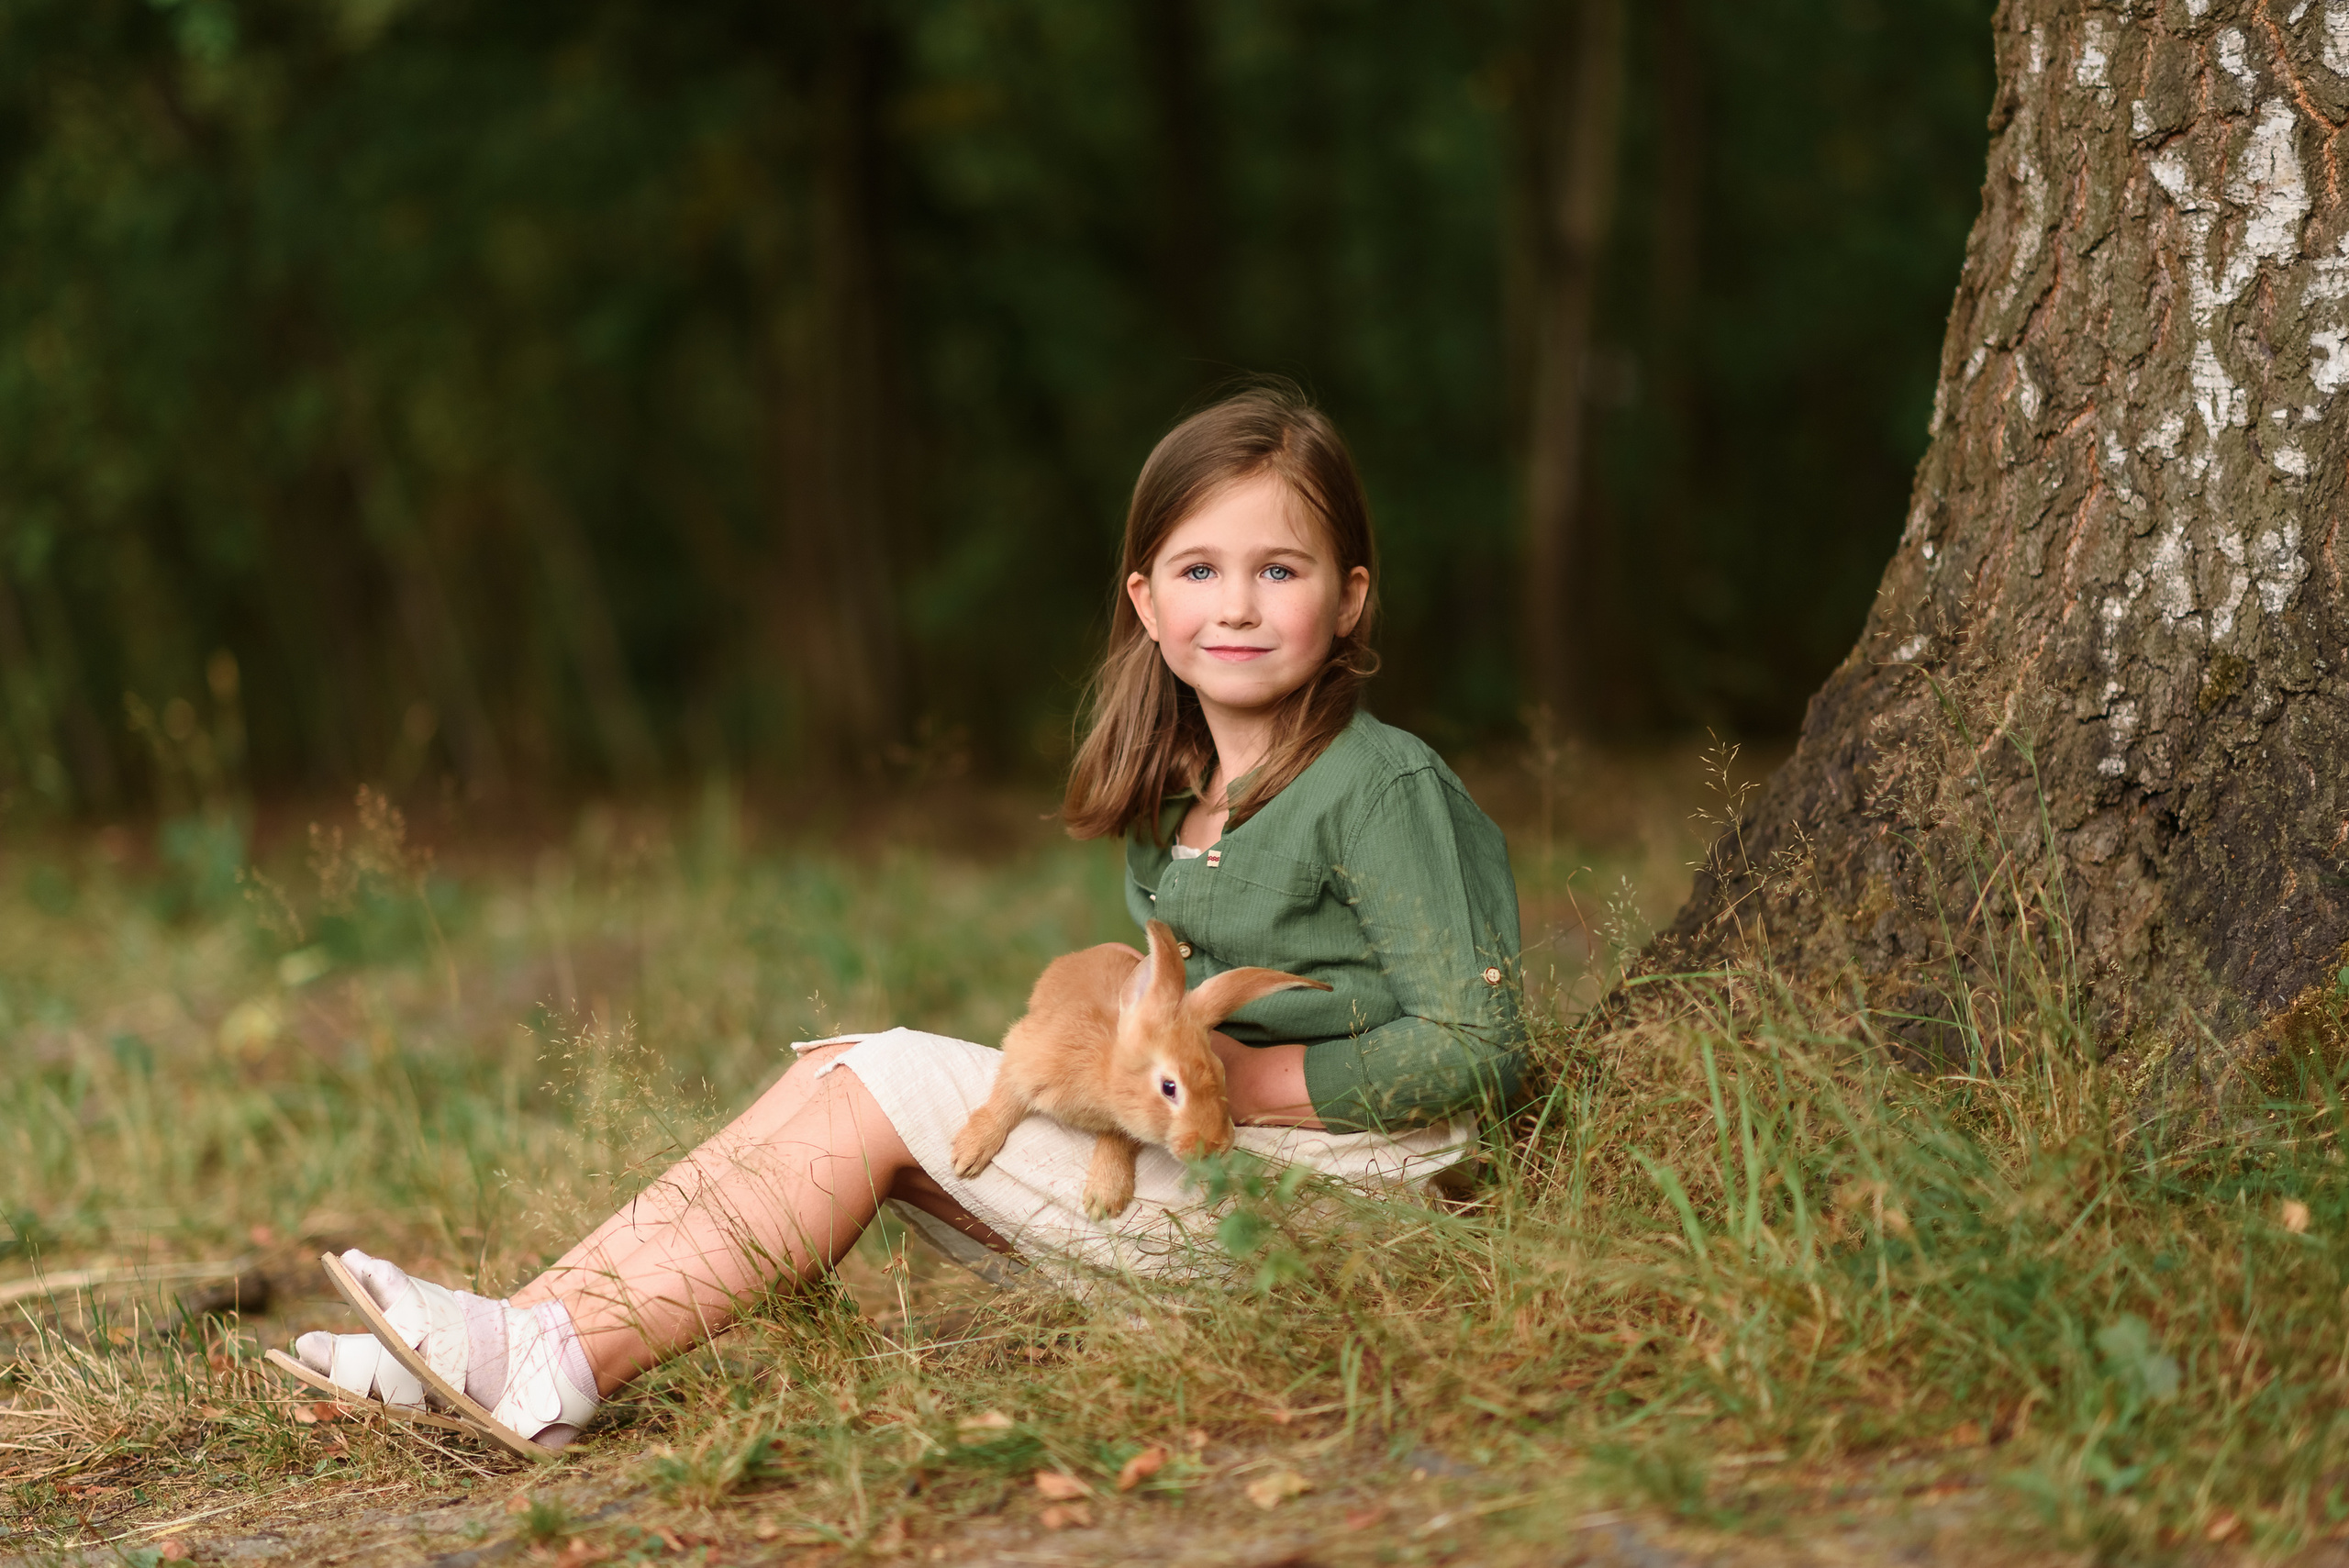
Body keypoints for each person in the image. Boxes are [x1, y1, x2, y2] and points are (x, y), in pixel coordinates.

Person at [279, 381, 1524, 1451]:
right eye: (1201, 570)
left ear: (1350, 598)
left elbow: (1479, 1043)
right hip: (1214, 1178)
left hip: (1344, 1211)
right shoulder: (1179, 802)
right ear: (1147, 602)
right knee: (845, 1078)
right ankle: (528, 1337)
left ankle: (547, 1353)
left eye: (1281, 570)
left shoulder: (1380, 785)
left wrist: (1236, 1089)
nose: (1238, 605)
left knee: (875, 1079)